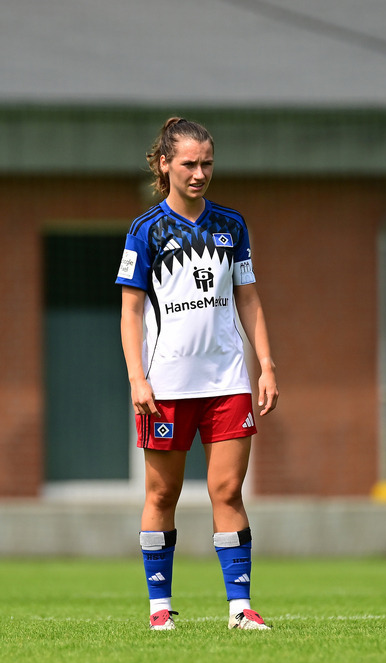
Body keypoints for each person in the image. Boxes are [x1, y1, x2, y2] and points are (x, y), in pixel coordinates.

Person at [116, 117, 279, 631]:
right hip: (165, 385)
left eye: (207, 163)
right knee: (162, 495)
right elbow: (131, 313)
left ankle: (240, 609)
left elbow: (248, 297)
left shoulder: (233, 225)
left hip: (228, 381)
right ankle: (159, 610)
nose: (199, 173)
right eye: (188, 163)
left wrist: (267, 364)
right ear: (164, 165)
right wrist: (137, 378)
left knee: (227, 491)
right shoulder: (145, 231)